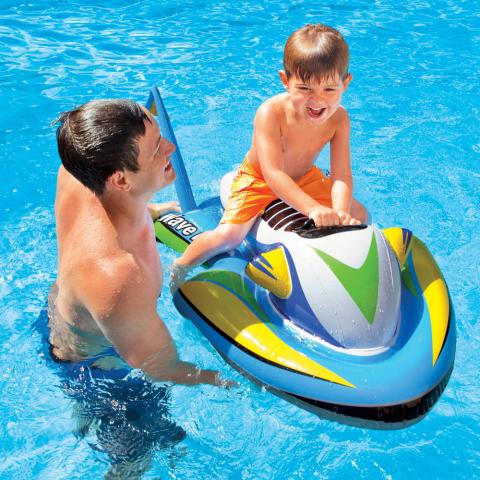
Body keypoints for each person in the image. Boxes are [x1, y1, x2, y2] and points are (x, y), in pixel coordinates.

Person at [49, 98, 228, 386]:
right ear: (120, 181)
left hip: (69, 311)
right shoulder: (122, 276)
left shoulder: (81, 167)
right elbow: (162, 368)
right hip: (98, 368)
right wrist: (225, 381)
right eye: (157, 148)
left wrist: (149, 209)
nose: (171, 148)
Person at [171, 23, 368, 286]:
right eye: (305, 89)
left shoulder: (340, 119)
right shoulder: (271, 113)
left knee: (360, 215)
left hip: (304, 177)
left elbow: (341, 175)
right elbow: (273, 174)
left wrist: (340, 215)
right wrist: (313, 209)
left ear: (346, 84)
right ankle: (179, 268)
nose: (317, 100)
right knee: (229, 237)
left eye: (329, 90)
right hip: (259, 178)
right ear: (285, 81)